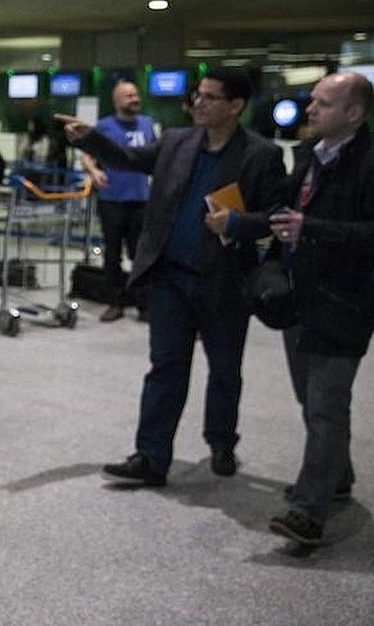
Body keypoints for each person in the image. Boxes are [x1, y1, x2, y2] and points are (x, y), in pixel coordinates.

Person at [57, 68, 286, 486]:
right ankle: (151, 456)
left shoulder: (261, 155)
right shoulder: (179, 141)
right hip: (171, 280)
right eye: (197, 95)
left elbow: (274, 217)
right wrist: (89, 138)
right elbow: (129, 159)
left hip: (224, 281)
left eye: (210, 97)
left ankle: (221, 442)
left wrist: (235, 223)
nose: (198, 102)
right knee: (164, 368)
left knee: (224, 368)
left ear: (235, 106)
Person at [259, 72, 374, 545]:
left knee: (327, 406)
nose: (310, 109)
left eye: (323, 103)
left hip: (344, 303)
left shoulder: (370, 163)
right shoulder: (307, 156)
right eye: (312, 101)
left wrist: (314, 228)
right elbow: (285, 216)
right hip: (300, 298)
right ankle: (337, 478)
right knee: (312, 400)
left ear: (354, 114)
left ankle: (309, 511)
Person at [78, 80, 157, 322]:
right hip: (112, 199)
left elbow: (156, 155)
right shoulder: (103, 127)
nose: (134, 98)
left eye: (136, 94)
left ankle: (144, 302)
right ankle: (115, 301)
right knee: (112, 254)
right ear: (117, 101)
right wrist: (94, 172)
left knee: (140, 254)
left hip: (140, 199)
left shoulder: (146, 124)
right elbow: (86, 156)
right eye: (129, 96)